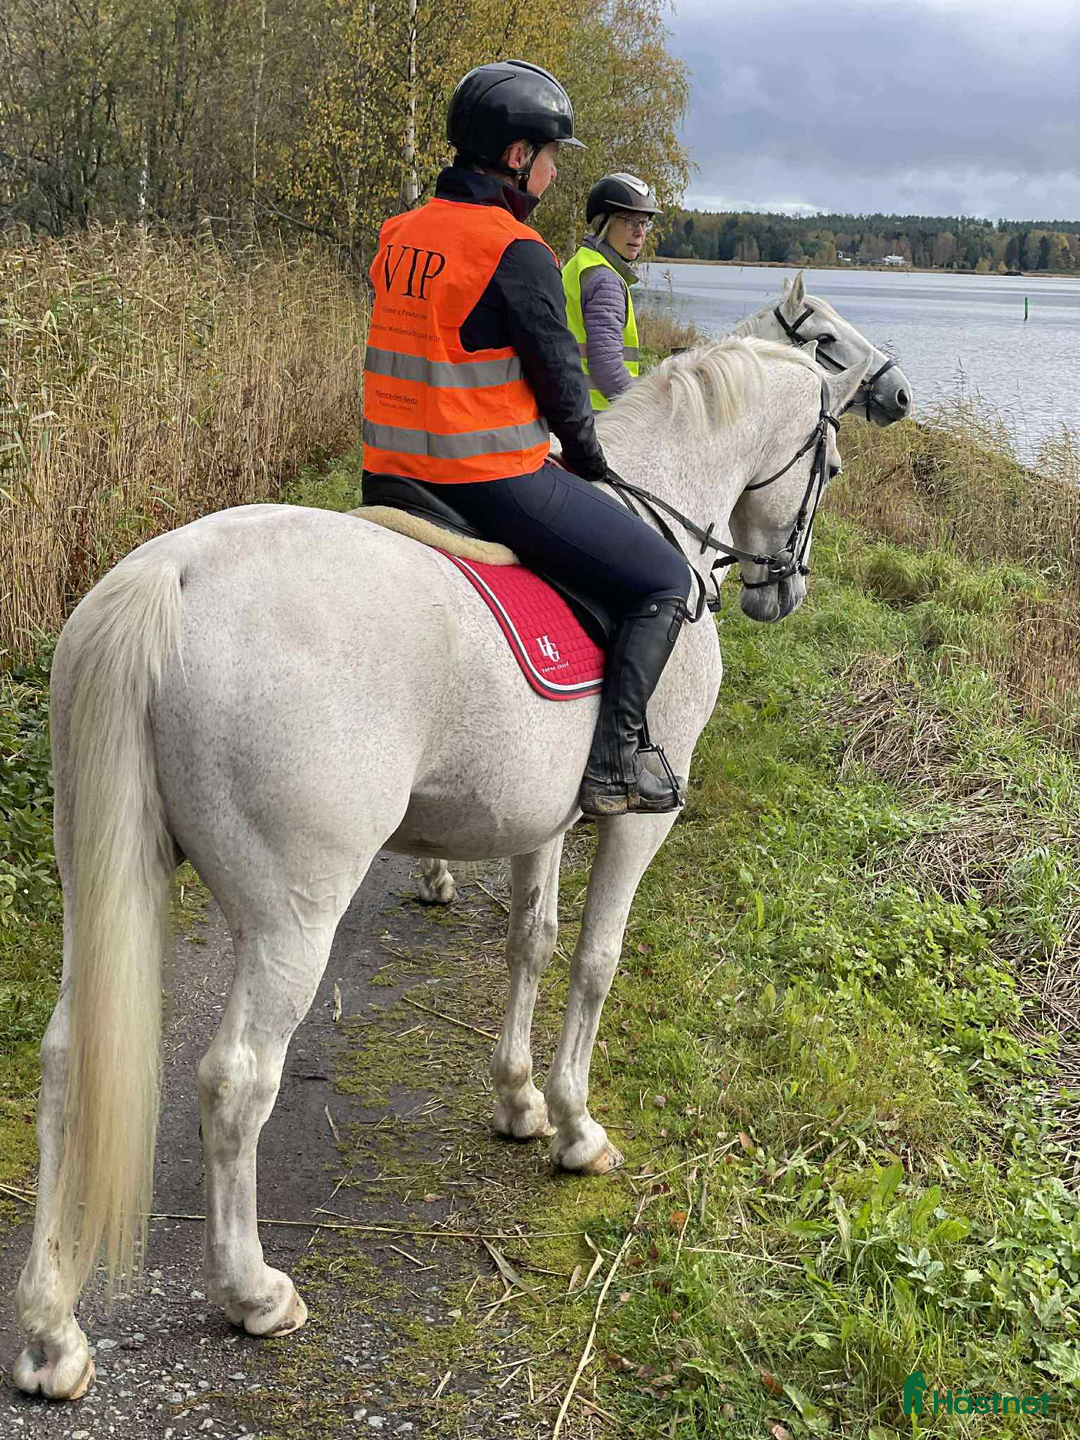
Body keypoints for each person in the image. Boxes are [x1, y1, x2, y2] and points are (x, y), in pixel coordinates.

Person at [361, 60, 691, 817]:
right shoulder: (513, 250)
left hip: (389, 472)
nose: (550, 173)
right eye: (548, 157)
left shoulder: (398, 234)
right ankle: (614, 761)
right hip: (488, 479)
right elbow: (565, 391)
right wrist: (591, 463)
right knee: (663, 578)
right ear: (517, 156)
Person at [562, 173, 661, 409]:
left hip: (570, 404)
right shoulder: (605, 280)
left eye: (644, 223)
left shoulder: (581, 262)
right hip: (600, 417)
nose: (640, 233)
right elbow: (607, 366)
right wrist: (642, 410)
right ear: (604, 223)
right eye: (629, 221)